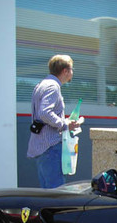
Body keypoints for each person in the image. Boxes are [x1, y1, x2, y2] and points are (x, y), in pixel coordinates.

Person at [27, 54, 78, 188]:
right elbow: (44, 112)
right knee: (56, 193)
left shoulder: (41, 85)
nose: (72, 73)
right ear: (65, 71)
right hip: (51, 146)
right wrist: (64, 124)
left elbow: (43, 113)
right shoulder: (53, 87)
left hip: (42, 146)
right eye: (71, 69)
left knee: (47, 192)